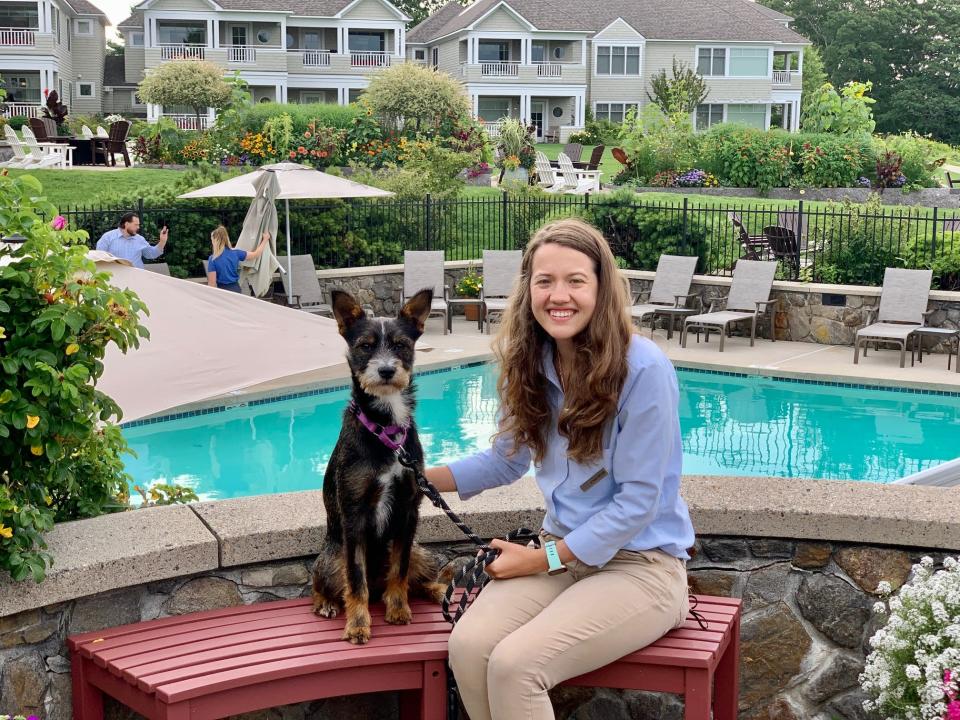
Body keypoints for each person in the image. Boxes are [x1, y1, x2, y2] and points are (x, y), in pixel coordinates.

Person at [423, 218, 695, 720]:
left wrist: (541, 560)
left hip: (641, 566)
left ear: (601, 288)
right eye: (544, 281)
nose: (558, 295)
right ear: (528, 289)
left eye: (575, 280)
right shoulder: (531, 361)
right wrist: (412, 476)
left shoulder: (644, 370)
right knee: (468, 645)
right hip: (560, 554)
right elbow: (505, 461)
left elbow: (639, 503)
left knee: (514, 666)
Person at [206, 225, 269, 293]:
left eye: (212, 240)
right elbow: (256, 254)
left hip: (222, 292)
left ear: (215, 241)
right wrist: (265, 239)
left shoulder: (213, 258)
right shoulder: (236, 253)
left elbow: (212, 284)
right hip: (236, 290)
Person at [95, 213, 167, 269]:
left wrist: (162, 241)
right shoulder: (108, 237)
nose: (138, 227)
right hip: (116, 279)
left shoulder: (140, 239)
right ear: (126, 224)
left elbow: (151, 254)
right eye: (136, 225)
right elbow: (99, 258)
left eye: (138, 225)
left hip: (137, 278)